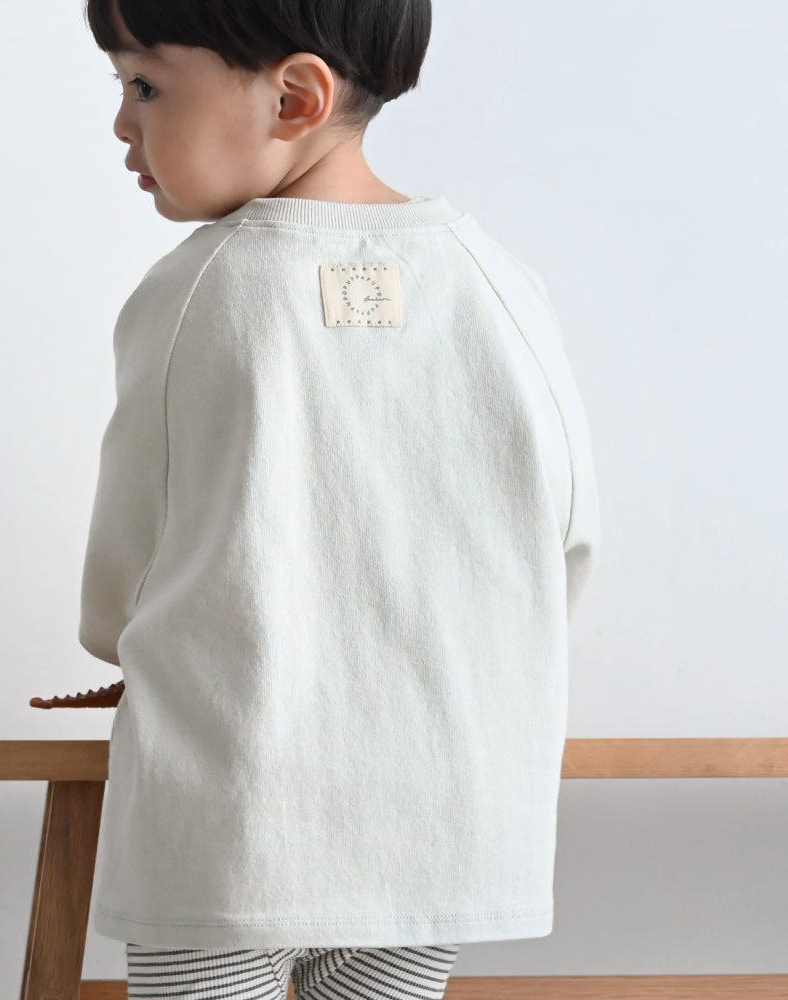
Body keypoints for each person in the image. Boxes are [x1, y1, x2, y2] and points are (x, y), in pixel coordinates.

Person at [77, 1, 601, 997]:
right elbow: (568, 535)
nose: (121, 123)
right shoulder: (501, 285)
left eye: (144, 84)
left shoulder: (197, 290)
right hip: (447, 813)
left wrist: (114, 639)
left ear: (294, 98)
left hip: (230, 816)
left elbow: (135, 543)